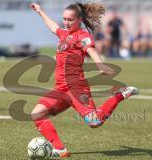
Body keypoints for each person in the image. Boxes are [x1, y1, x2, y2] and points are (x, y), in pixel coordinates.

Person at [30, 2, 139, 159]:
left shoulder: (83, 36)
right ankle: (60, 150)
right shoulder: (63, 34)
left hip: (76, 88)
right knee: (37, 114)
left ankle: (120, 95)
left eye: (70, 20)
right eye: (64, 19)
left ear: (79, 19)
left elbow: (91, 50)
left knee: (94, 123)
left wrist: (100, 65)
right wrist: (40, 11)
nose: (66, 23)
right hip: (60, 89)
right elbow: (53, 26)